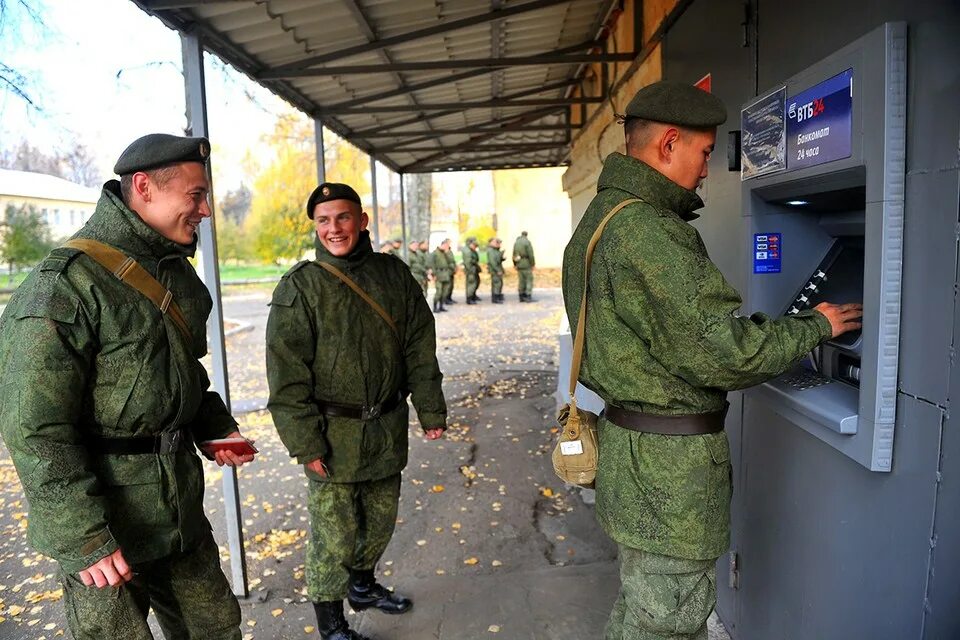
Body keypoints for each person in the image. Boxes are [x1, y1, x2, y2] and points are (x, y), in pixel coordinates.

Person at [561, 82, 863, 640]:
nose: (707, 171)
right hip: (669, 475)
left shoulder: (603, 218)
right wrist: (820, 325)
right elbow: (728, 354)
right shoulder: (649, 232)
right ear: (668, 143)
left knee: (644, 609)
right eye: (703, 154)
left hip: (633, 456)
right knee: (668, 623)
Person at [0, 133, 256, 640]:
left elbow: (184, 376)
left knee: (217, 627)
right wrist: (83, 536)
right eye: (196, 195)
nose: (205, 209)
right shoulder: (65, 286)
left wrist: (215, 427)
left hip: (179, 512)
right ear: (144, 187)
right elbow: (34, 429)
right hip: (107, 528)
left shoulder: (179, 278)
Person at [266, 182, 447, 640]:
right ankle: (331, 625)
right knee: (333, 537)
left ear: (362, 221)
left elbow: (419, 346)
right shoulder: (302, 287)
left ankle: (362, 586)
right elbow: (287, 377)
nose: (334, 229)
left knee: (380, 521)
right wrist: (305, 443)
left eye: (343, 217)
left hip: (386, 429)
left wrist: (430, 409)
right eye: (323, 221)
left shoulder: (393, 276)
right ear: (315, 227)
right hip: (332, 436)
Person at [430, 239, 453, 313]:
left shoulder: (446, 253)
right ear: (442, 244)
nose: (447, 247)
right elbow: (432, 264)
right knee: (439, 292)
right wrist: (433, 274)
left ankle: (441, 306)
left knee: (445, 292)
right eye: (446, 245)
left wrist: (447, 253)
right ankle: (435, 307)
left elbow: (450, 262)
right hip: (439, 274)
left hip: (446, 274)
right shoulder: (435, 253)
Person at [513, 230, 536, 302]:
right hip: (526, 263)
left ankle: (521, 296)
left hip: (519, 263)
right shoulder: (527, 242)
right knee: (529, 280)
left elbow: (514, 254)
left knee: (521, 280)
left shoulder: (516, 242)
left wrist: (515, 264)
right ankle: (528, 296)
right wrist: (532, 264)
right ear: (526, 235)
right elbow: (530, 254)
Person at [461, 236, 481, 304]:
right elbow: (468, 263)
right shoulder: (467, 251)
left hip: (473, 269)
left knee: (476, 283)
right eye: (474, 244)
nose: (475, 246)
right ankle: (469, 299)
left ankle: (473, 296)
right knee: (471, 284)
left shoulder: (471, 250)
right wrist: (471, 271)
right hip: (471, 270)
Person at [486, 237, 506, 303]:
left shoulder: (495, 250)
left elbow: (497, 259)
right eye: (496, 242)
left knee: (499, 283)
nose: (498, 243)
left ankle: (497, 296)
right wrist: (498, 270)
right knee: (497, 283)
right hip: (495, 270)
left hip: (497, 268)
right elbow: (493, 262)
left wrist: (502, 257)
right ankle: (495, 298)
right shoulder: (491, 251)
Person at [443, 240, 458, 305]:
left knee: (451, 286)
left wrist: (455, 267)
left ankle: (449, 298)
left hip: (451, 271)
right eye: (448, 243)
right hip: (447, 271)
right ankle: (445, 299)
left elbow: (452, 260)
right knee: (447, 286)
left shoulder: (450, 251)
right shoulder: (444, 252)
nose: (450, 244)